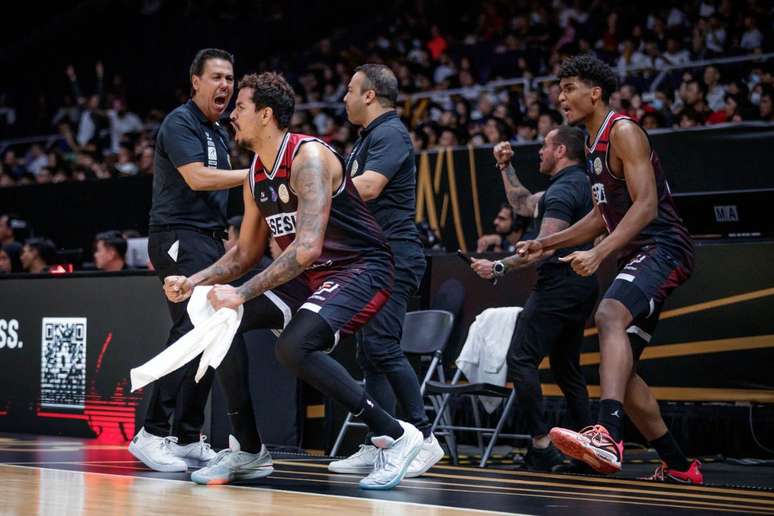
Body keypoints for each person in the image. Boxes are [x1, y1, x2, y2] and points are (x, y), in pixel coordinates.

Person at [162, 71, 423, 489]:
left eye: (241, 108)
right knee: (220, 323)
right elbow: (245, 253)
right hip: (311, 276)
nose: (232, 116)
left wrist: (242, 291)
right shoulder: (254, 175)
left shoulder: (309, 159)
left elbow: (306, 250)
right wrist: (196, 280)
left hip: (361, 267)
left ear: (265, 115)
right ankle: (248, 448)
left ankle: (395, 435)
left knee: (293, 347)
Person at [516, 55, 702, 484]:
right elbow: (603, 215)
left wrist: (599, 255)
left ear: (594, 92)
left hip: (663, 247)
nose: (561, 98)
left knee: (608, 314)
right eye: (559, 90)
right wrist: (545, 243)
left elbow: (646, 204)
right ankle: (679, 465)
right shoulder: (592, 144)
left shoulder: (623, 131)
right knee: (624, 371)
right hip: (639, 251)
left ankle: (609, 434)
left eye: (568, 89)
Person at [129, 48, 247, 473]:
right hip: (178, 235)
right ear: (195, 81)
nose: (225, 86)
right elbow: (197, 177)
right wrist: (255, 174)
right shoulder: (180, 123)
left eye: (230, 79)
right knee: (190, 330)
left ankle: (185, 435)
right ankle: (153, 433)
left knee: (213, 334)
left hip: (208, 238)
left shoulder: (219, 130)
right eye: (216, 77)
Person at [327, 64, 443, 478]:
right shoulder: (368, 138)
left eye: (350, 90)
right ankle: (381, 441)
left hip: (396, 256)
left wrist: (316, 192)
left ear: (370, 96)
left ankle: (425, 439)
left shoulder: (391, 133)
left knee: (383, 349)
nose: (344, 98)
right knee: (370, 356)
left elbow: (370, 187)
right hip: (375, 257)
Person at [469, 129, 597, 471]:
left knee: (521, 358)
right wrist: (505, 167)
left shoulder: (565, 190)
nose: (539, 152)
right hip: (581, 288)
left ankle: (541, 444)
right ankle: (590, 450)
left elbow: (542, 248)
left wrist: (497, 266)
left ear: (560, 150)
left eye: (543, 146)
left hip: (560, 286)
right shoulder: (573, 185)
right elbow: (522, 203)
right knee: (566, 368)